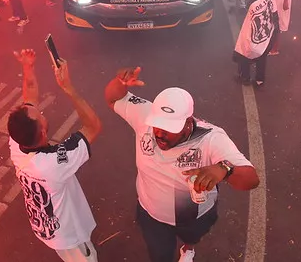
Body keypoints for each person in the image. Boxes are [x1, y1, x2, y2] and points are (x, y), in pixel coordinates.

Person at [105, 70, 259, 262]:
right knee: (159, 256)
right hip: (152, 215)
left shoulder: (211, 138)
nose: (160, 133)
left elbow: (251, 179)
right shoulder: (145, 114)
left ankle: (188, 248)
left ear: (187, 123)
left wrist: (225, 168)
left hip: (195, 216)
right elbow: (113, 98)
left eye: (169, 129)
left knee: (192, 236)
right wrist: (120, 82)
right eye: (157, 124)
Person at [8, 49, 102, 261]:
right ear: (43, 132)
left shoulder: (17, 143)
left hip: (45, 226)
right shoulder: (54, 163)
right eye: (41, 116)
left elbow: (29, 96)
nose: (40, 111)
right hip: (69, 238)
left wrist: (27, 66)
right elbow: (93, 127)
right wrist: (69, 88)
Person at [233, 0, 279, 86]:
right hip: (267, 37)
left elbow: (247, 28)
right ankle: (259, 81)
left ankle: (245, 78)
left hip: (255, 39)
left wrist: (242, 45)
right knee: (262, 57)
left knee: (244, 56)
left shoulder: (252, 5)